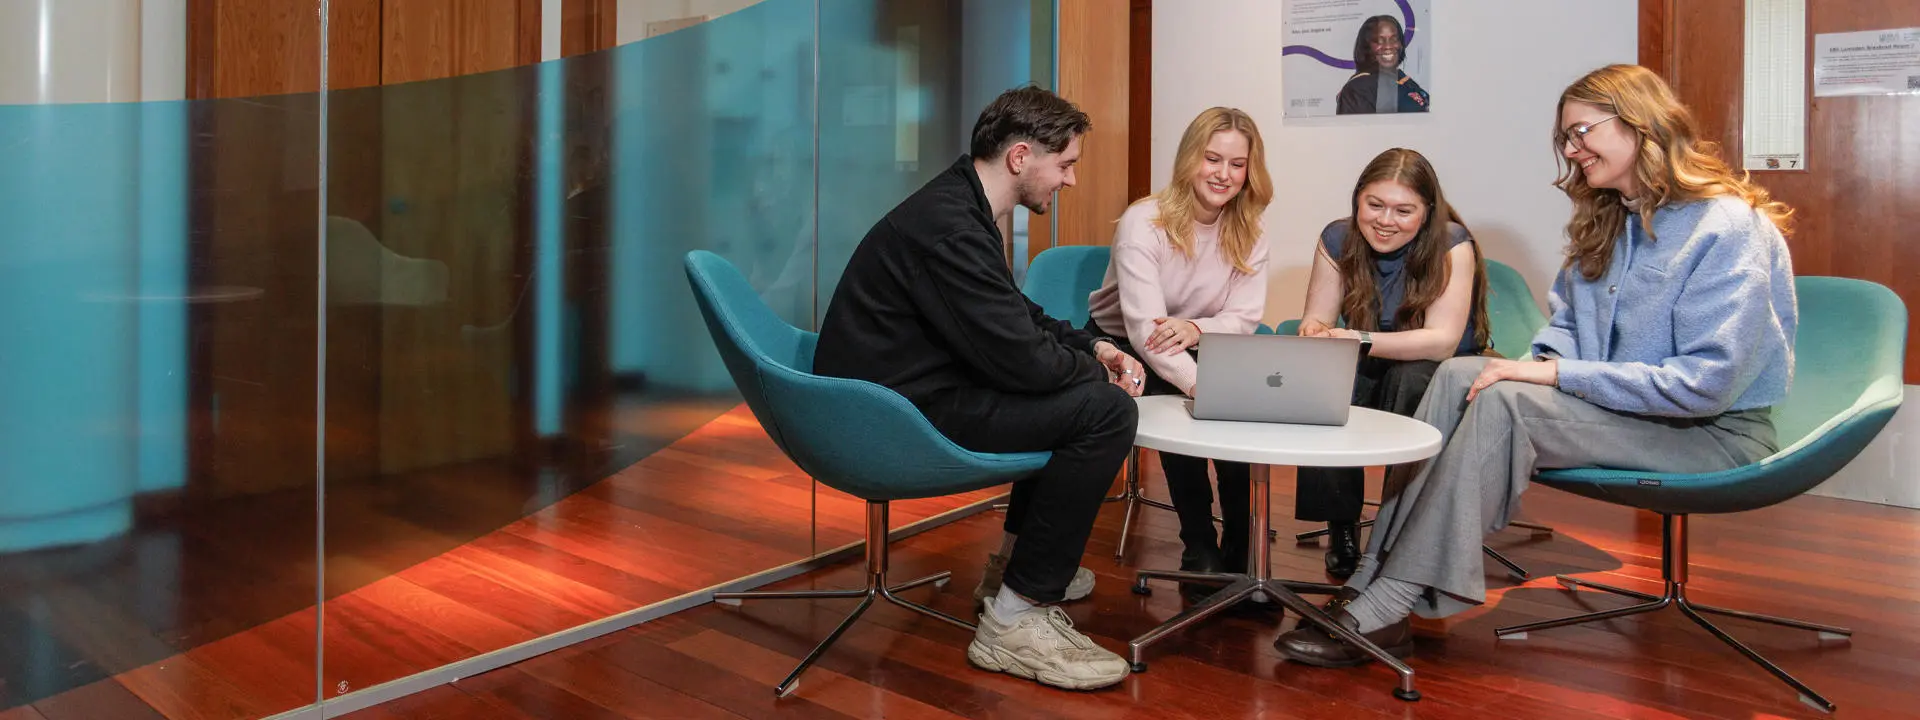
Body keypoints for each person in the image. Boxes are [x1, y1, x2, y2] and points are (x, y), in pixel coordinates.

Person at [1276, 63, 1797, 667]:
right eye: (1566, 139)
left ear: (1640, 125)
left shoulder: (1728, 227)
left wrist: (1548, 376)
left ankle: (1391, 599)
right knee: (1459, 375)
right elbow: (1567, 335)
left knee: (1506, 398)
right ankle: (1373, 578)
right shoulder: (1611, 222)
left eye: (1581, 134)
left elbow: (1705, 387)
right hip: (1624, 412)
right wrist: (1539, 365)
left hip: (1710, 433)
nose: (1571, 152)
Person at [814, 85, 1145, 691]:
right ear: (1021, 157)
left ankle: (1013, 574)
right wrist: (1098, 372)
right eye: (1066, 165)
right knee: (1104, 412)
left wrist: (1091, 345)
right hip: (890, 414)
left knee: (1081, 398)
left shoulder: (962, 207)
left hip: (911, 391)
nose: (1070, 181)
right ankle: (1016, 620)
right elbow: (1023, 362)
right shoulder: (950, 227)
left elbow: (1011, 313)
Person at [1084, 107, 1272, 602]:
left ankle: (1241, 548)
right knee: (1178, 400)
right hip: (1124, 341)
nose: (1224, 174)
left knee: (1240, 412)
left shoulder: (1249, 229)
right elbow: (1147, 331)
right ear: (1190, 158)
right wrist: (1201, 386)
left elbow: (1245, 318)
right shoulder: (1144, 221)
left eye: (1237, 164)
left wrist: (1194, 328)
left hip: (1201, 338)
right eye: (1212, 159)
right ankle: (1200, 548)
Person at [1292, 148, 1491, 581]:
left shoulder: (1453, 243)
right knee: (1324, 379)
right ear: (1357, 200)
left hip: (1438, 364)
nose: (1385, 220)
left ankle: (1398, 530)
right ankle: (1341, 527)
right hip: (1370, 352)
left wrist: (1358, 339)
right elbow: (1318, 316)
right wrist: (1315, 332)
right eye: (1375, 205)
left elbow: (1440, 342)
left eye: (1404, 210)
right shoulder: (1337, 238)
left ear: (1427, 212)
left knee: (1410, 378)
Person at [1335, 15, 1430, 115]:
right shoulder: (1359, 88)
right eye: (1379, 41)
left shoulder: (1401, 78)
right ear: (1366, 46)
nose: (1388, 46)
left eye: (1394, 39)